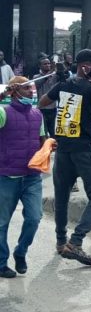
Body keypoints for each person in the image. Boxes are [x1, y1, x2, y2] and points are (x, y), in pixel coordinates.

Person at [39, 49, 91, 266]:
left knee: (61, 198)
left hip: (63, 150)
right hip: (85, 150)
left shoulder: (63, 86)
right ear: (85, 67)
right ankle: (76, 241)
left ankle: (61, 242)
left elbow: (42, 102)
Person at [0, 77, 45, 278]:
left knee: (34, 218)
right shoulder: (3, 112)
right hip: (7, 176)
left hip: (32, 177)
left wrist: (48, 146)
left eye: (31, 88)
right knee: (2, 223)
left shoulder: (37, 114)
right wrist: (3, 94)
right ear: (15, 91)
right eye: (26, 88)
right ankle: (1, 263)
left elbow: (42, 139)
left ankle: (21, 251)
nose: (30, 92)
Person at [32, 57, 59, 138]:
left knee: (53, 133)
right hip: (42, 109)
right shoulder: (36, 77)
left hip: (53, 108)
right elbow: (39, 82)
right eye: (45, 64)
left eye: (49, 63)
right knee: (43, 133)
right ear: (40, 66)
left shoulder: (55, 76)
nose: (48, 65)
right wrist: (52, 71)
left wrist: (59, 69)